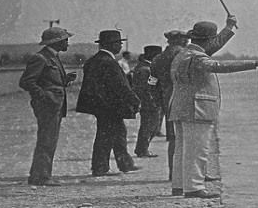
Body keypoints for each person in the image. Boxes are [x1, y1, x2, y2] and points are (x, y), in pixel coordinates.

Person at [170, 20, 258, 198]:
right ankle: (194, 187)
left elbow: (212, 47)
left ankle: (179, 185)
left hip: (180, 107)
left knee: (182, 149)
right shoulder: (198, 57)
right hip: (197, 108)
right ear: (208, 41)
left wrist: (228, 28)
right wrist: (254, 63)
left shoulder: (183, 54)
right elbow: (220, 66)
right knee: (197, 150)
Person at [153, 15, 236, 183]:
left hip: (169, 98)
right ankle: (189, 177)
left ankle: (178, 176)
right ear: (182, 41)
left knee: (177, 140)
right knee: (191, 143)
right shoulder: (187, 53)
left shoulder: (159, 57)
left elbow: (152, 80)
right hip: (188, 99)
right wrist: (228, 28)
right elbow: (211, 47)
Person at [75, 30, 141, 176]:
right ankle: (100, 167)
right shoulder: (109, 62)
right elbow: (121, 86)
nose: (121, 46)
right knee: (108, 135)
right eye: (119, 43)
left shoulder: (93, 60)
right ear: (111, 44)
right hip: (110, 107)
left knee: (116, 133)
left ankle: (124, 164)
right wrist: (135, 100)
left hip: (100, 106)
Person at [18, 27, 77, 187]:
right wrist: (45, 97)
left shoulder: (52, 57)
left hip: (54, 106)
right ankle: (41, 177)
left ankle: (41, 175)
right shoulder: (41, 58)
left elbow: (48, 81)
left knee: (50, 140)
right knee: (46, 140)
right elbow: (26, 82)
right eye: (65, 40)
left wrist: (65, 80)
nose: (68, 43)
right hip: (47, 106)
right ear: (56, 42)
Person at [130, 45, 163, 159]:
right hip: (149, 103)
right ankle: (142, 149)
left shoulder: (143, 67)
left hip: (147, 102)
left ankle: (142, 148)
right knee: (149, 126)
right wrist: (154, 101)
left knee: (149, 126)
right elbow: (147, 88)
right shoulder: (146, 69)